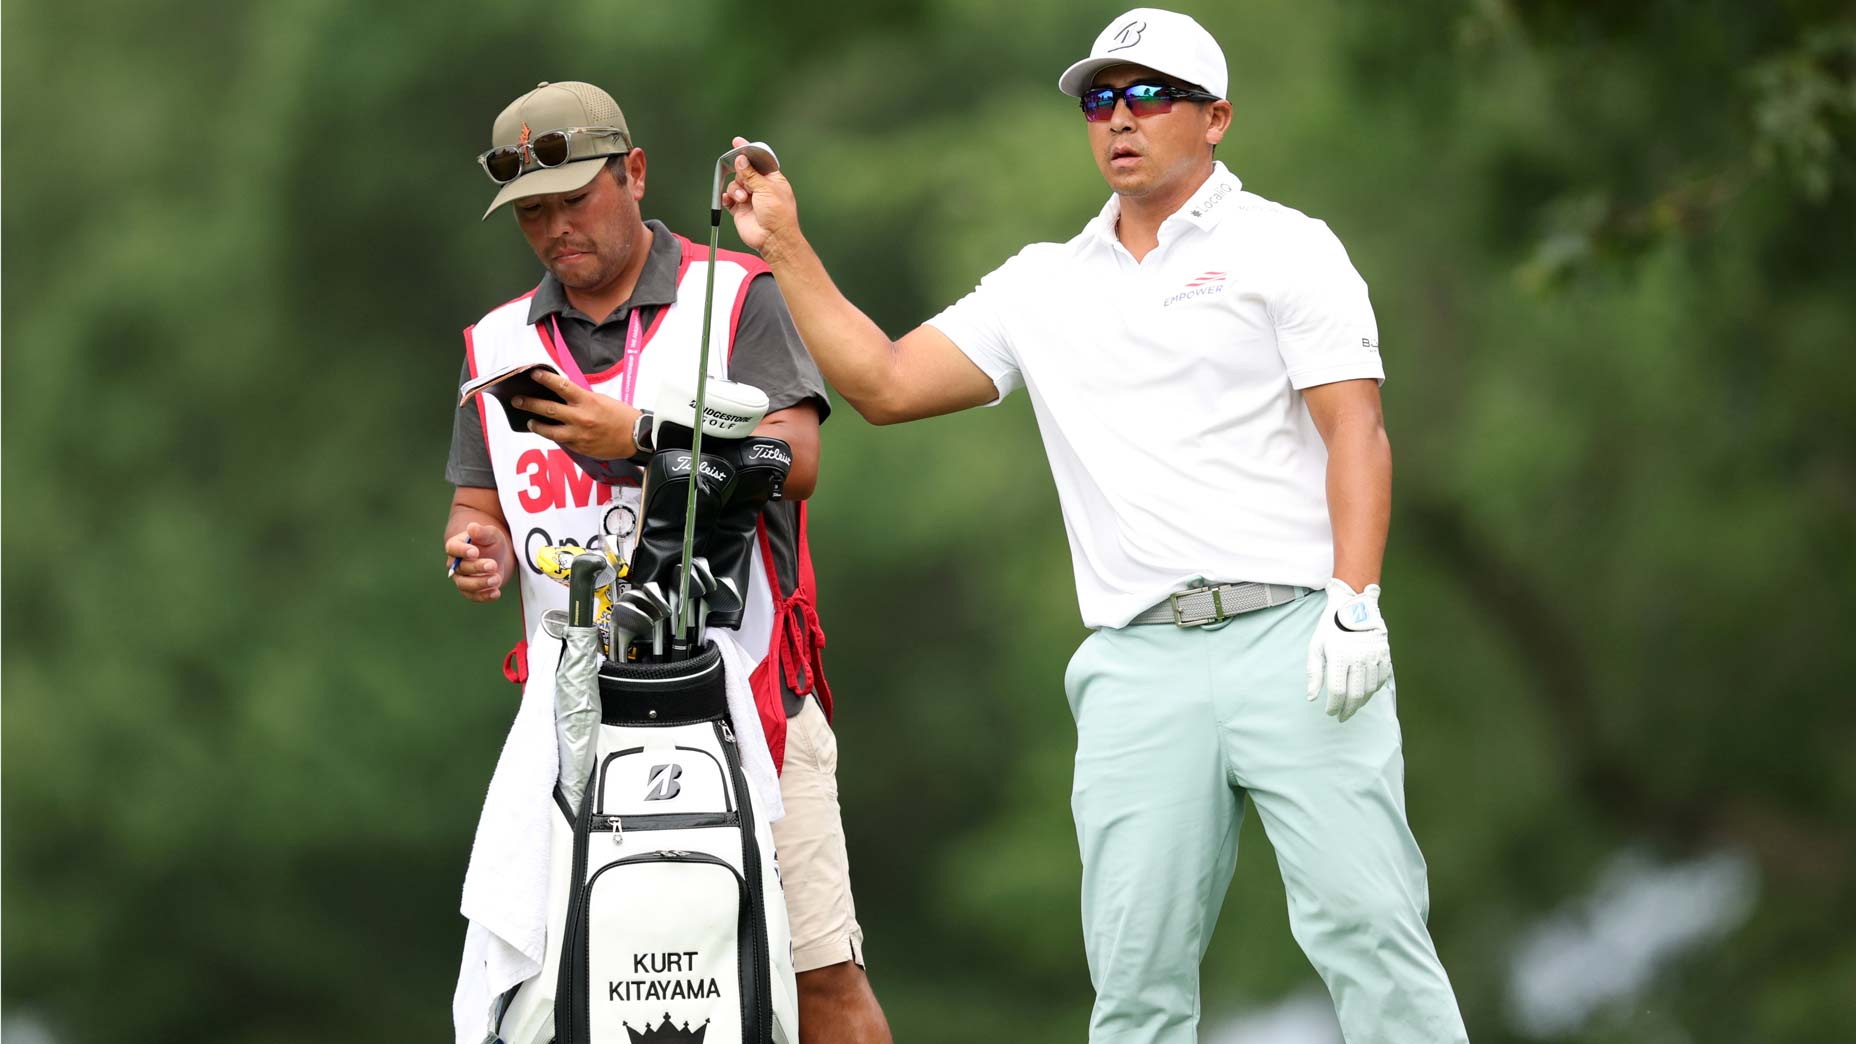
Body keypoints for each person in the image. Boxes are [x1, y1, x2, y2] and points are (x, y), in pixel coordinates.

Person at [718, 9, 1470, 1043]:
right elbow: (885, 383)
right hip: (1136, 661)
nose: (1119, 118)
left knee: (1371, 934)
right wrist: (784, 244)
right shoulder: (1042, 282)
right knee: (1133, 982)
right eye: (1100, 99)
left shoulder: (1286, 247)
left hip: (1299, 637)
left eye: (1148, 95)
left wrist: (1354, 600)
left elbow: (1357, 432)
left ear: (1215, 118)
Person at [443, 80, 892, 1044]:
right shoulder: (498, 342)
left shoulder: (732, 294)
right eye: (532, 213)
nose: (555, 229)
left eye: (574, 199)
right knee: (574, 988)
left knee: (819, 977)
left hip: (751, 692)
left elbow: (798, 459)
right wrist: (475, 550)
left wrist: (639, 436)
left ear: (635, 173)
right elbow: (479, 506)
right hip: (572, 718)